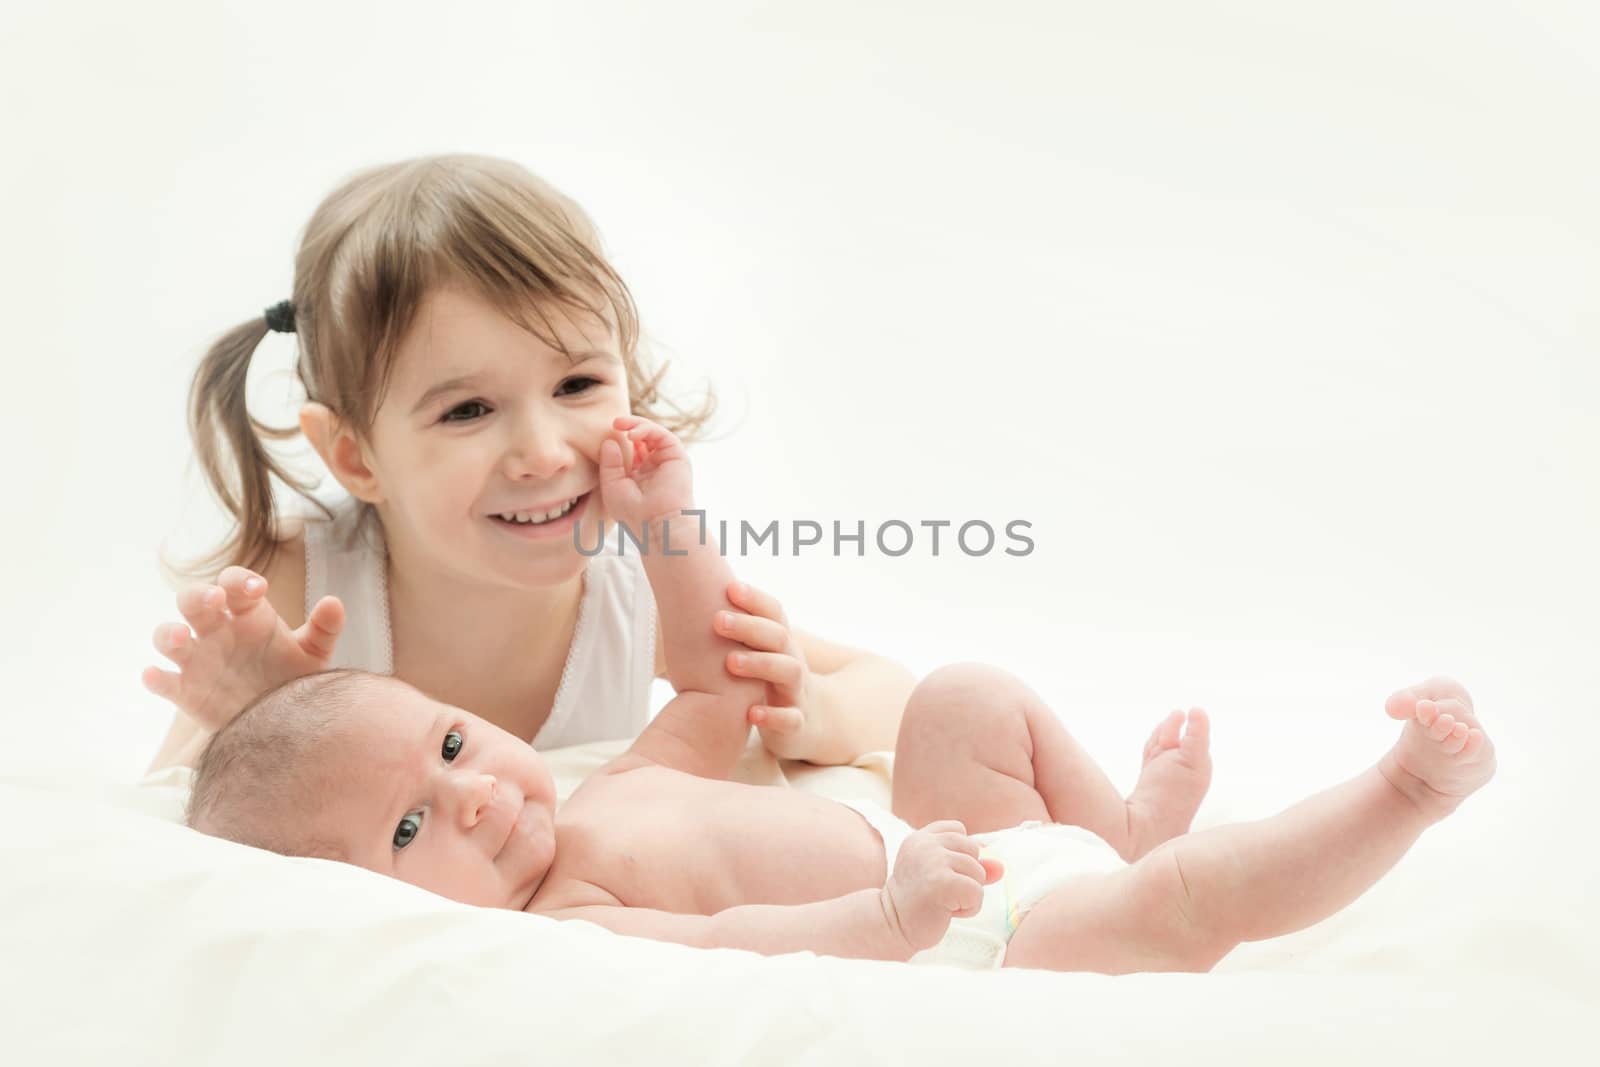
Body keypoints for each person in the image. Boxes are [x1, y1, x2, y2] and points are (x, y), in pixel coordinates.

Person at [186, 415, 1496, 972]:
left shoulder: (614, 784)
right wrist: (886, 908)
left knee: (967, 697)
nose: (473, 797)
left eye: (454, 743)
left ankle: (1120, 823)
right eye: (411, 827)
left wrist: (663, 521)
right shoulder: (572, 920)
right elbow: (737, 950)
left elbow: (719, 678)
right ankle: (1400, 792)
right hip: (967, 931)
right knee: (1182, 904)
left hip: (950, 842)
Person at [143, 153, 916, 774]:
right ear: (354, 455)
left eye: (577, 384)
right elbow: (166, 815)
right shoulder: (295, 589)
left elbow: (896, 692)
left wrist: (813, 707)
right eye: (467, 410)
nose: (544, 454)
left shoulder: (641, 592)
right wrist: (250, 724)